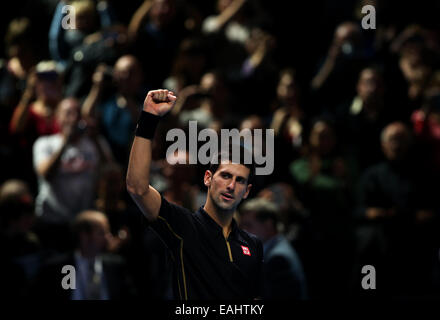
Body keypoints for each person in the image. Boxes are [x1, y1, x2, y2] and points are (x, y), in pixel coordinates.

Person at [126, 89, 263, 300]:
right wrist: (149, 119)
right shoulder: (183, 226)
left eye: (240, 180)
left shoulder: (252, 244)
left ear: (247, 192)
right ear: (208, 178)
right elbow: (137, 187)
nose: (231, 186)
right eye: (225, 176)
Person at [32, 98, 112, 251]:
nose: (74, 118)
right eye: (68, 113)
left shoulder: (93, 143)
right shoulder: (45, 144)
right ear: (58, 118)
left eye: (77, 113)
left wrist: (95, 139)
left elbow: (111, 172)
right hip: (53, 221)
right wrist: (65, 142)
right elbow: (46, 174)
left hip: (84, 222)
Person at [33, 210, 134, 300]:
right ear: (84, 236)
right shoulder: (60, 268)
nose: (108, 237)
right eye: (101, 233)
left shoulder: (116, 266)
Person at [239, 198, 308, 300]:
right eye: (242, 225)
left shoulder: (278, 258)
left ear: (268, 225)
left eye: (248, 225)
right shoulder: (278, 246)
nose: (243, 231)